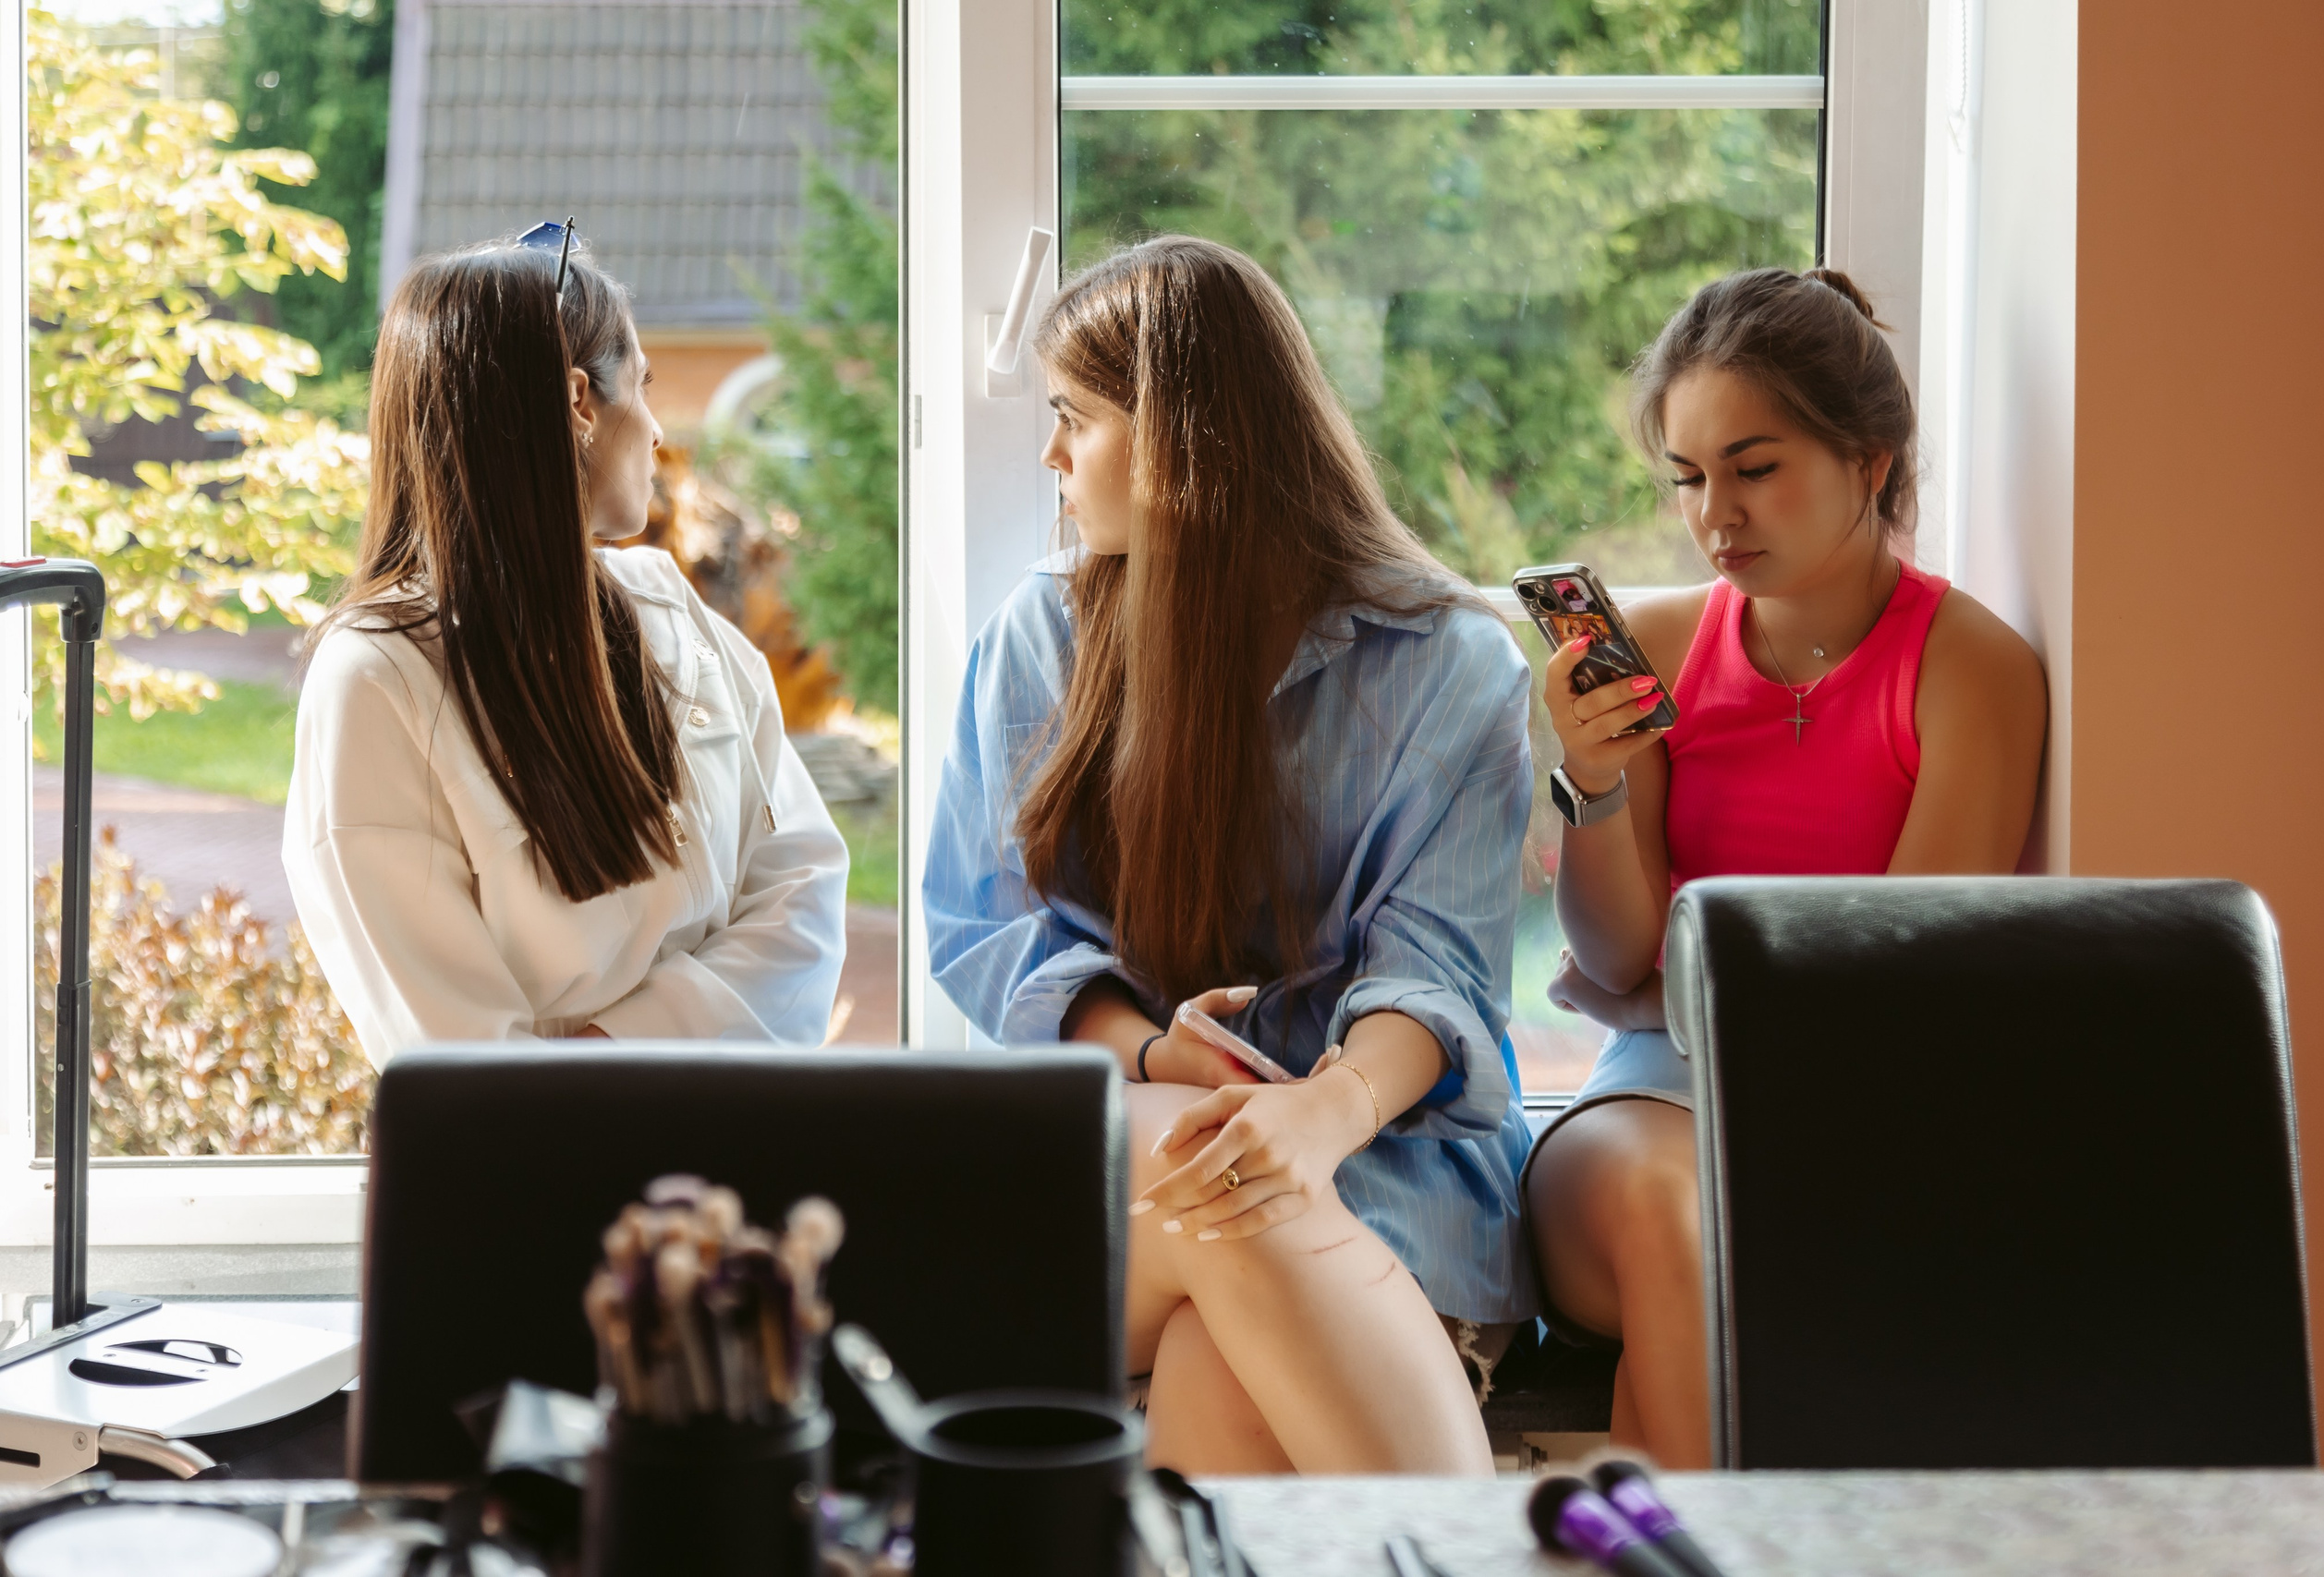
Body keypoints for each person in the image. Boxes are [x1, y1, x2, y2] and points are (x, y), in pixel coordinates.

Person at [924, 237, 1536, 1475]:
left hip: (1389, 1174)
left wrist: (1322, 1110)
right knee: (1206, 1158)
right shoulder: (1041, 636)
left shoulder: (1448, 665)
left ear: (1178, 440)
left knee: (1227, 1361)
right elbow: (988, 929)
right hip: (1145, 1165)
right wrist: (1152, 1049)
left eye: (1073, 418)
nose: (1050, 457)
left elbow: (1441, 971)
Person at [1525, 266, 2048, 1466]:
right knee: (1676, 1215)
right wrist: (1594, 780)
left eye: (1754, 468)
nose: (1717, 516)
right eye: (1690, 477)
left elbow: (1896, 982)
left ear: (1871, 458)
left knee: (1718, 1285)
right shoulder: (1654, 644)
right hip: (1652, 1092)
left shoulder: (1971, 669)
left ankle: (1668, 1533)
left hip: (1857, 1103)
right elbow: (1616, 957)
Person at [285, 233, 847, 1064]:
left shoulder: (672, 614)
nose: (657, 430)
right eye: (645, 387)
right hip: (538, 1181)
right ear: (580, 402)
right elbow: (454, 1051)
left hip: (734, 1160)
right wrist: (642, 1054)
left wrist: (611, 1046)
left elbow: (804, 888)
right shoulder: (378, 680)